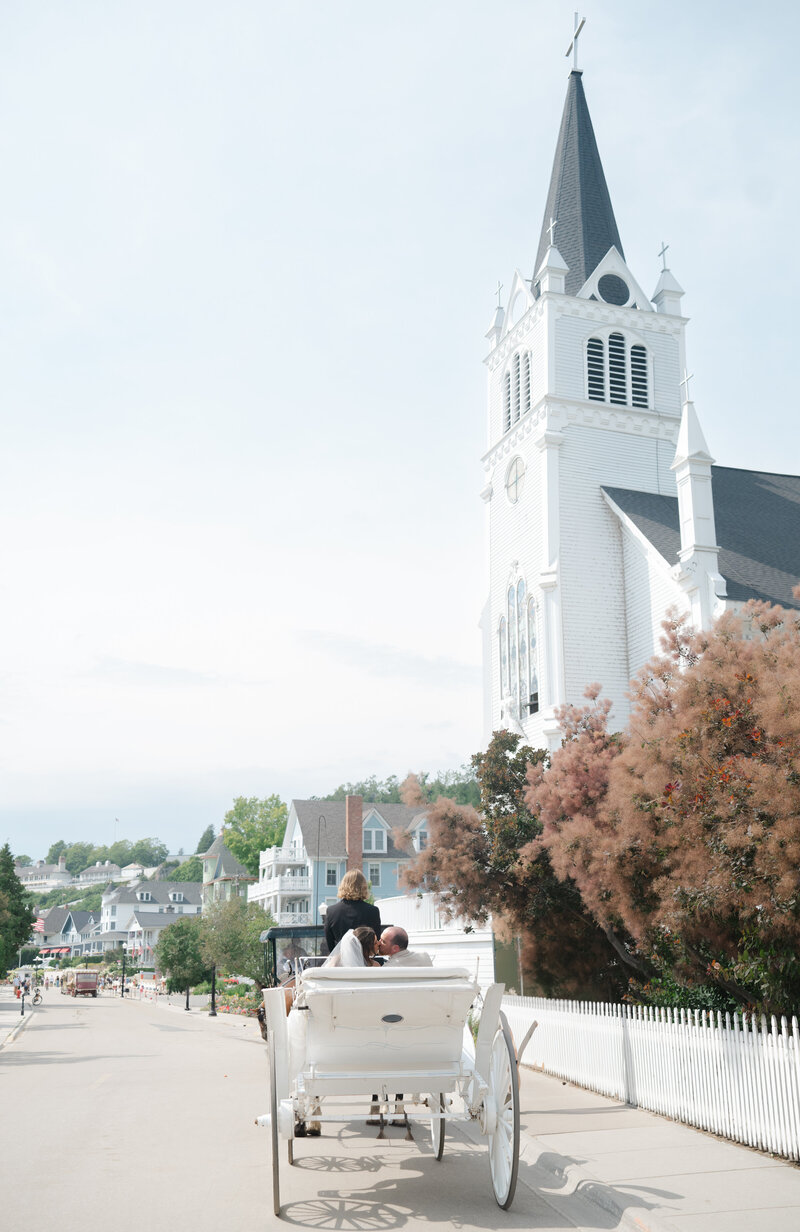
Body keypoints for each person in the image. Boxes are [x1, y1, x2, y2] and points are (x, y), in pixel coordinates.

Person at [323, 870, 382, 953]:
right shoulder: (373, 911)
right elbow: (375, 940)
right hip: (365, 961)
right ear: (364, 887)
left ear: (343, 885)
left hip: (341, 960)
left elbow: (329, 942)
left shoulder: (331, 911)